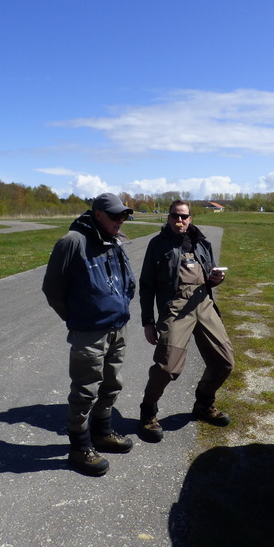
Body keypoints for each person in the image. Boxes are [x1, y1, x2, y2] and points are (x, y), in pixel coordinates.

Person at [42, 193, 136, 476]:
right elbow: (52, 289)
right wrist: (75, 318)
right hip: (89, 332)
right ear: (97, 214)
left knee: (112, 384)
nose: (121, 220)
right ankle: (79, 447)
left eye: (124, 215)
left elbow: (125, 280)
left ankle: (102, 433)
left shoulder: (114, 240)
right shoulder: (73, 242)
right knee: (85, 391)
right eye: (115, 215)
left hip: (118, 327)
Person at [138, 199, 235, 442]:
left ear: (190, 218)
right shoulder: (158, 244)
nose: (179, 220)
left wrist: (216, 279)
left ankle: (204, 403)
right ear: (169, 218)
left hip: (204, 303)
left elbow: (210, 274)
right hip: (176, 306)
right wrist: (148, 321)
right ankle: (148, 411)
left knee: (224, 362)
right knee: (168, 367)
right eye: (175, 216)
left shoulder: (202, 242)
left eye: (184, 216)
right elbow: (147, 285)